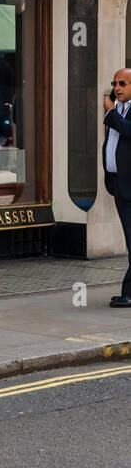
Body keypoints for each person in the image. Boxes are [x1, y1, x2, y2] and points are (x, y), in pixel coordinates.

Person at [102, 69, 131, 308]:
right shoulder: (119, 110)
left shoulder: (116, 112)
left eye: (123, 83)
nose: (117, 87)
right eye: (115, 83)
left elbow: (129, 131)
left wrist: (110, 111)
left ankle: (129, 293)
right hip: (119, 184)